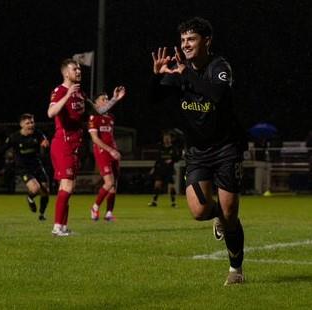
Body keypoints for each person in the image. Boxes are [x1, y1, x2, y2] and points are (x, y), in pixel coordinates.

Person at [150, 17, 247, 285]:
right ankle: (216, 217)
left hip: (227, 148)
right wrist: (157, 77)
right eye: (183, 40)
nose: (185, 44)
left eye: (191, 39)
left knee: (231, 214)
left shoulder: (220, 67)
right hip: (197, 152)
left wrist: (186, 74)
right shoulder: (181, 70)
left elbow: (216, 95)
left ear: (207, 41)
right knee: (199, 212)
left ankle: (235, 270)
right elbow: (154, 100)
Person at [48, 58, 118, 236]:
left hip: (75, 145)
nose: (79, 72)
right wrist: (67, 94)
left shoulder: (80, 94)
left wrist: (115, 99)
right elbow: (51, 112)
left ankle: (62, 227)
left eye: (79, 69)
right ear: (66, 73)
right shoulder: (60, 90)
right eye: (75, 69)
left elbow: (98, 111)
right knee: (68, 186)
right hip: (63, 143)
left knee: (66, 187)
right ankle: (57, 227)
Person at [0, 113, 50, 220]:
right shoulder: (14, 137)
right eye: (27, 123)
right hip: (23, 168)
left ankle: (42, 214)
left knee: (46, 191)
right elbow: (2, 151)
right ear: (21, 125)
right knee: (35, 189)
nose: (31, 125)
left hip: (37, 165)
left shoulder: (37, 133)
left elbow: (44, 139)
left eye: (32, 122)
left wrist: (45, 142)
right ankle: (30, 197)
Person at [88, 86, 126, 221]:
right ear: (96, 102)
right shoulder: (94, 117)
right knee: (109, 182)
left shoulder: (110, 117)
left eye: (107, 98)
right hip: (102, 151)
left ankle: (109, 213)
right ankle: (95, 207)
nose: (106, 100)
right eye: (103, 99)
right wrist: (110, 150)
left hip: (113, 151)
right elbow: (95, 139)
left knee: (113, 184)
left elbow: (109, 136)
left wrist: (115, 150)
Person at [148, 130, 181, 208]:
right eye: (165, 138)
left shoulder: (173, 148)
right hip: (160, 169)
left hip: (169, 170)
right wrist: (153, 168)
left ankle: (173, 203)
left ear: (170, 139)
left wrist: (172, 160)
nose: (166, 139)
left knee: (171, 186)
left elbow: (178, 158)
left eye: (167, 138)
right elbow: (158, 159)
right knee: (157, 185)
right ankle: (154, 202)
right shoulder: (161, 148)